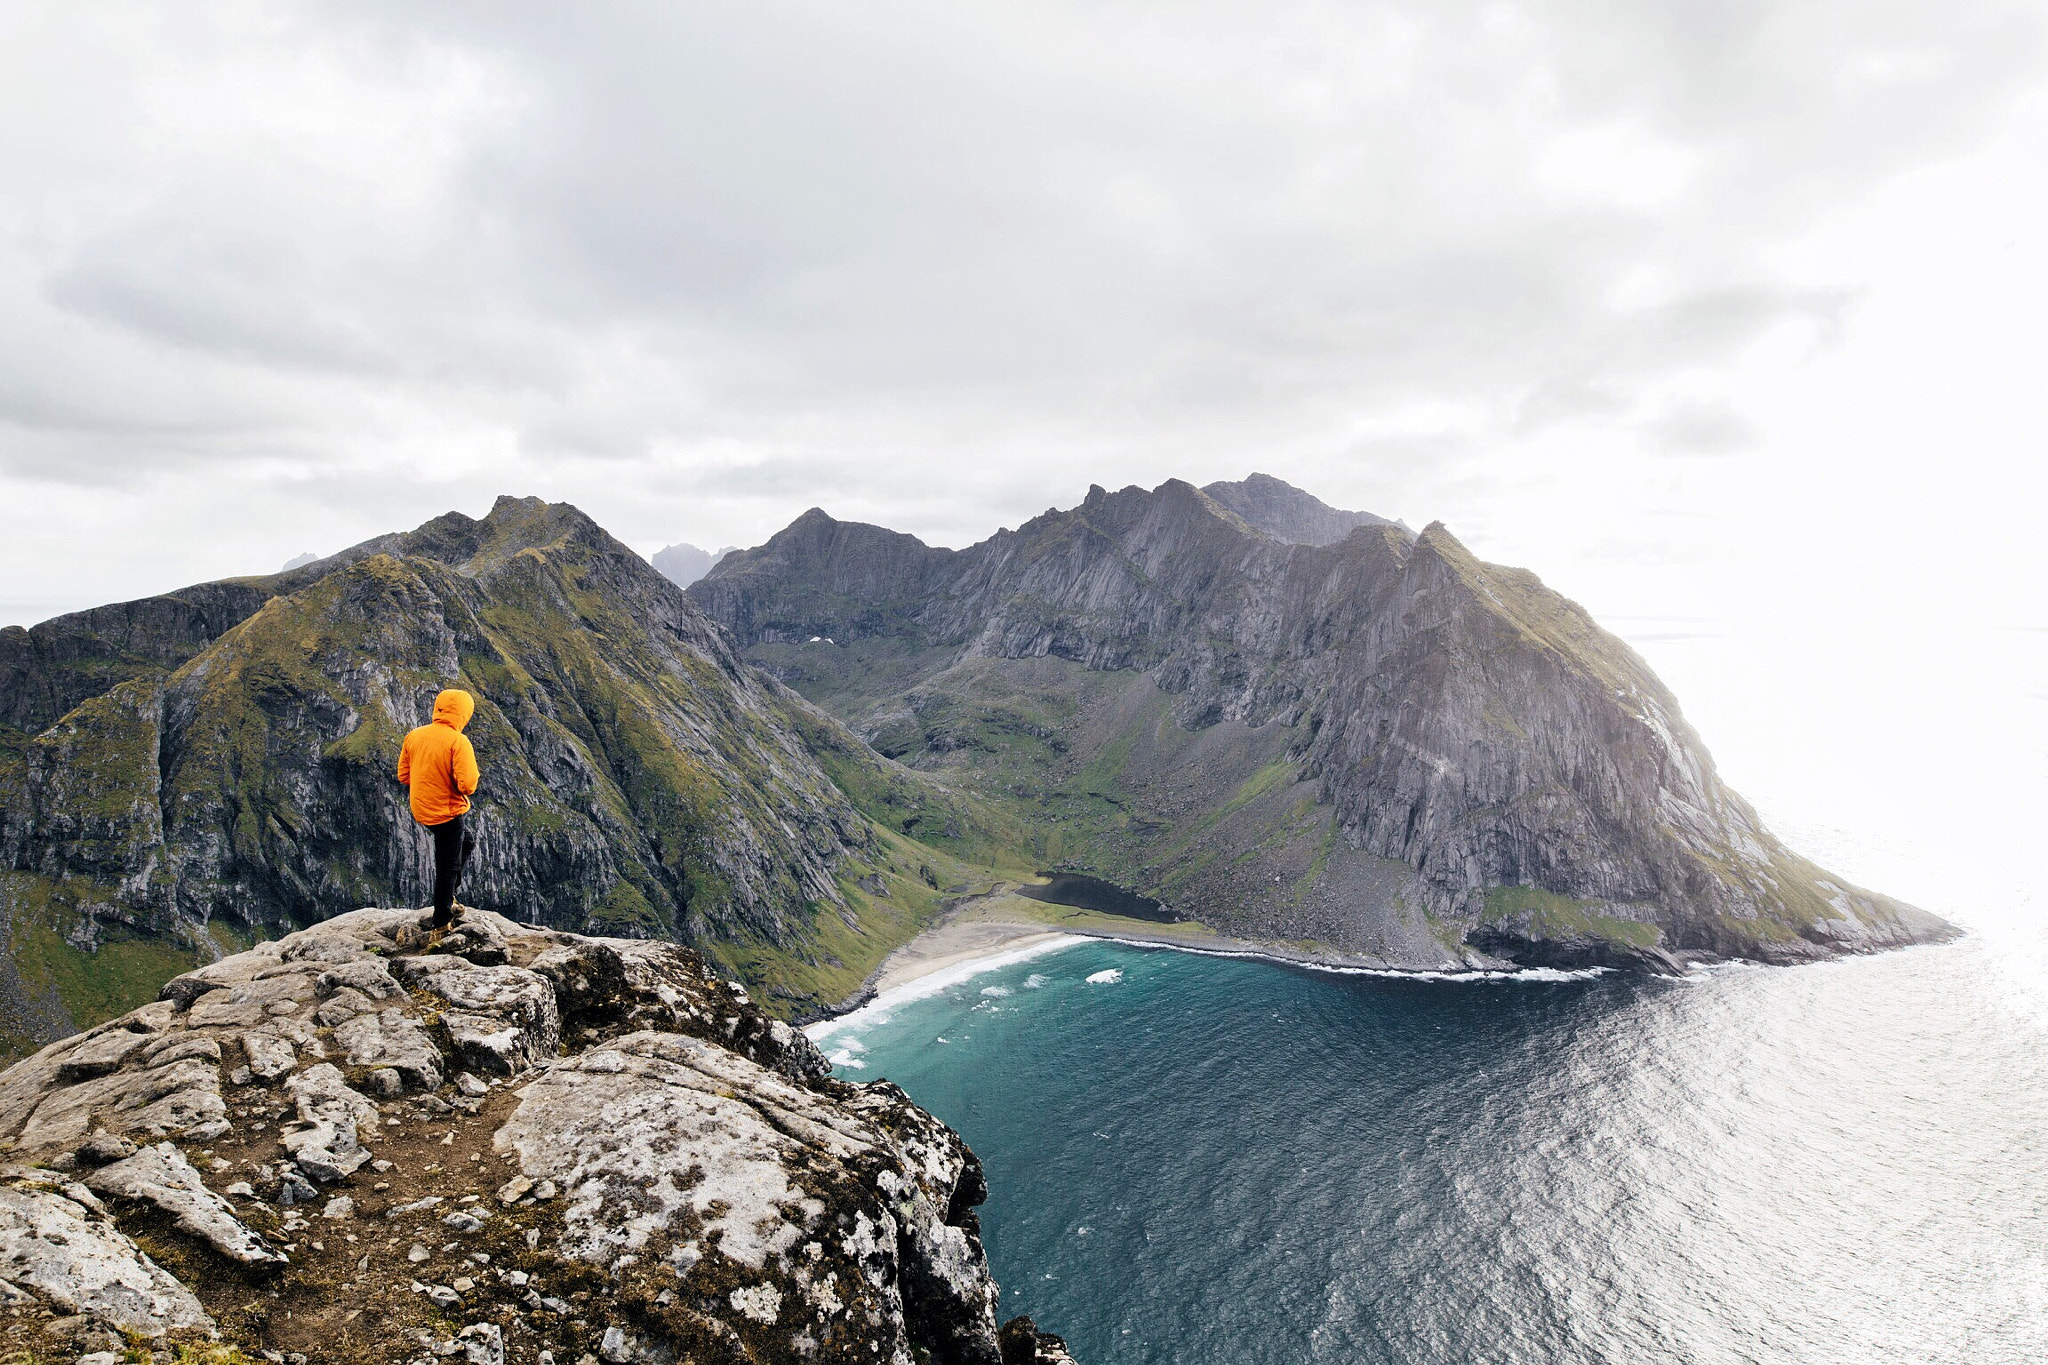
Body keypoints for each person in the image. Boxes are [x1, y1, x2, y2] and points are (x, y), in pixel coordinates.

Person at [397, 688, 481, 939]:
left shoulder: (415, 735)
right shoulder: (458, 741)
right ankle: (441, 922)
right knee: (448, 865)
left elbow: (404, 775)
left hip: (422, 808)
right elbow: (468, 785)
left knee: (467, 841)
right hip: (447, 812)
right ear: (464, 714)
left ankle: (450, 895)